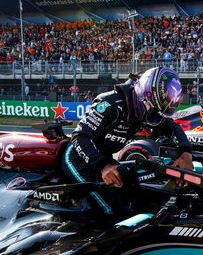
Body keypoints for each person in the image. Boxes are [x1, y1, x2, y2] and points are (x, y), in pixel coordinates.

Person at [61, 67, 193, 218]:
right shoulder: (110, 104)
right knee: (114, 212)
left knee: (139, 198)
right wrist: (103, 166)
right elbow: (79, 136)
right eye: (153, 111)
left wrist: (186, 153)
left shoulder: (149, 108)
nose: (155, 117)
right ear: (143, 96)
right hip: (77, 158)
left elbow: (171, 126)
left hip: (105, 159)